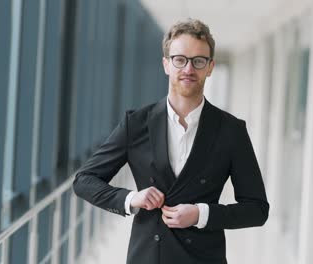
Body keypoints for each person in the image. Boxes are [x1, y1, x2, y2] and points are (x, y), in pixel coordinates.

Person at [73, 18, 269, 264]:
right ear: (166, 64)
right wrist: (131, 199)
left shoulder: (231, 130)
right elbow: (84, 181)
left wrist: (201, 214)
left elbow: (257, 209)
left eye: (198, 61)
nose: (188, 69)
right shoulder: (136, 123)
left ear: (210, 67)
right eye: (180, 59)